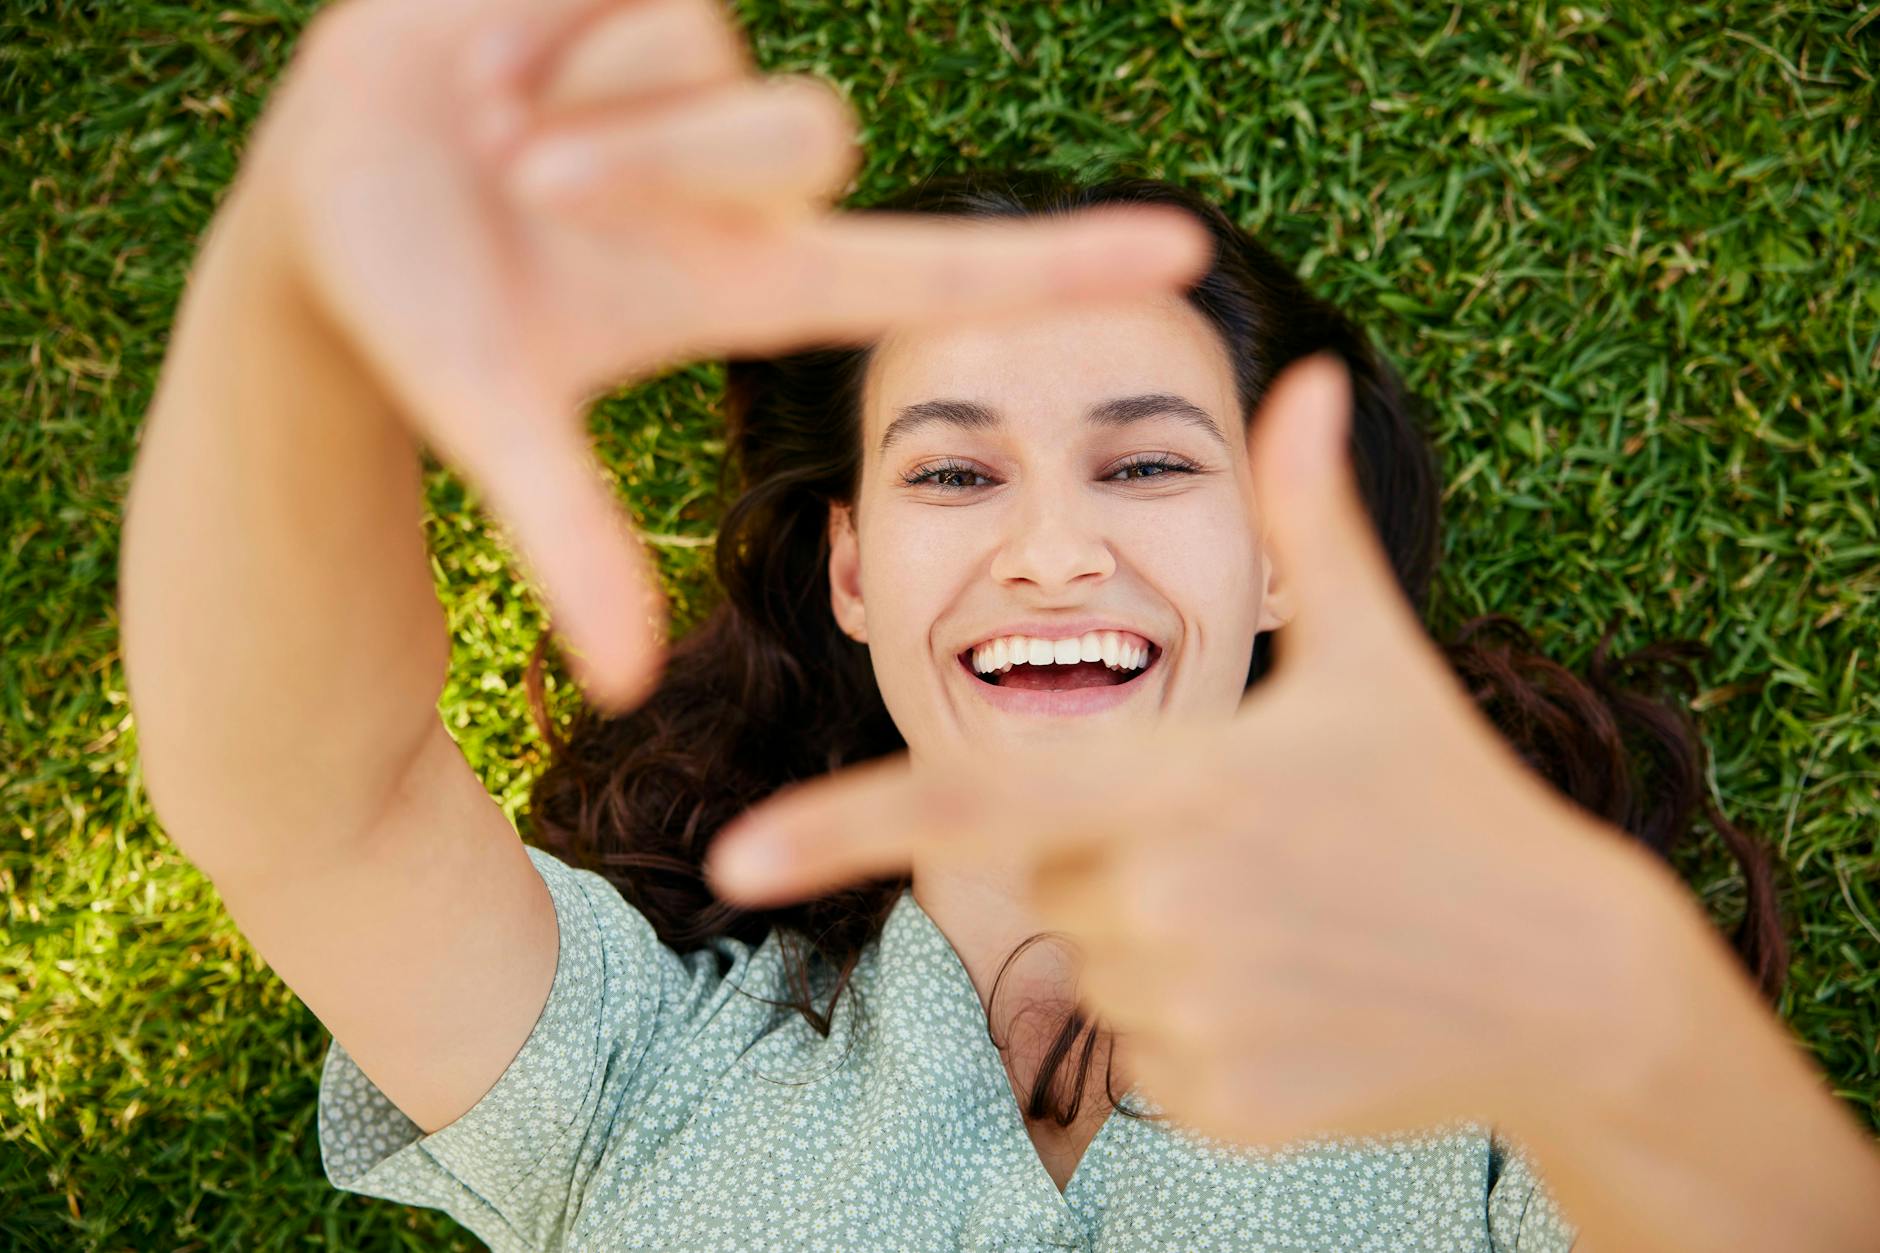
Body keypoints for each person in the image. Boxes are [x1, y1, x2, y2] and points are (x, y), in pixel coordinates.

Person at [116, 1, 1880, 1250]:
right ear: (855, 573)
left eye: (1147, 464)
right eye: (956, 479)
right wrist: (296, 305)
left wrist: (1627, 1011)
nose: (1052, 550)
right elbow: (307, 802)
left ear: (1282, 559)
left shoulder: (1504, 1091)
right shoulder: (643, 1071)